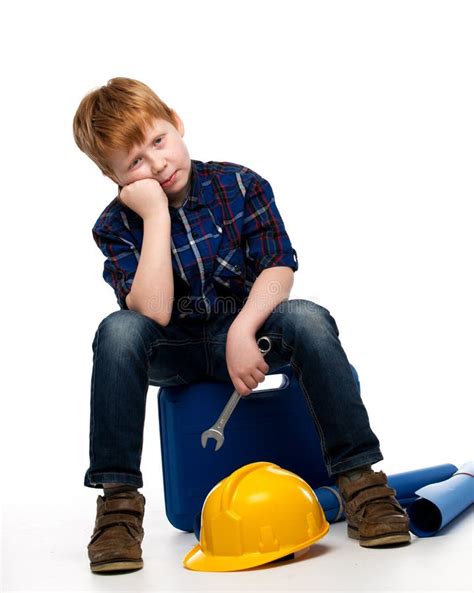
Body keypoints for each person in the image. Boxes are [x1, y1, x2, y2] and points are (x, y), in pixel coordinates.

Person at [73, 77, 410, 573]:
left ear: (177, 123)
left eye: (159, 142)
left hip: (250, 331)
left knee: (309, 319)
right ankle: (119, 507)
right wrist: (156, 216)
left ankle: (361, 482)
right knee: (118, 330)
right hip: (175, 346)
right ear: (115, 177)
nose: (158, 163)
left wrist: (242, 330)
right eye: (136, 163)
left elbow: (278, 268)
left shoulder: (239, 184)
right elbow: (152, 312)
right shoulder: (114, 225)